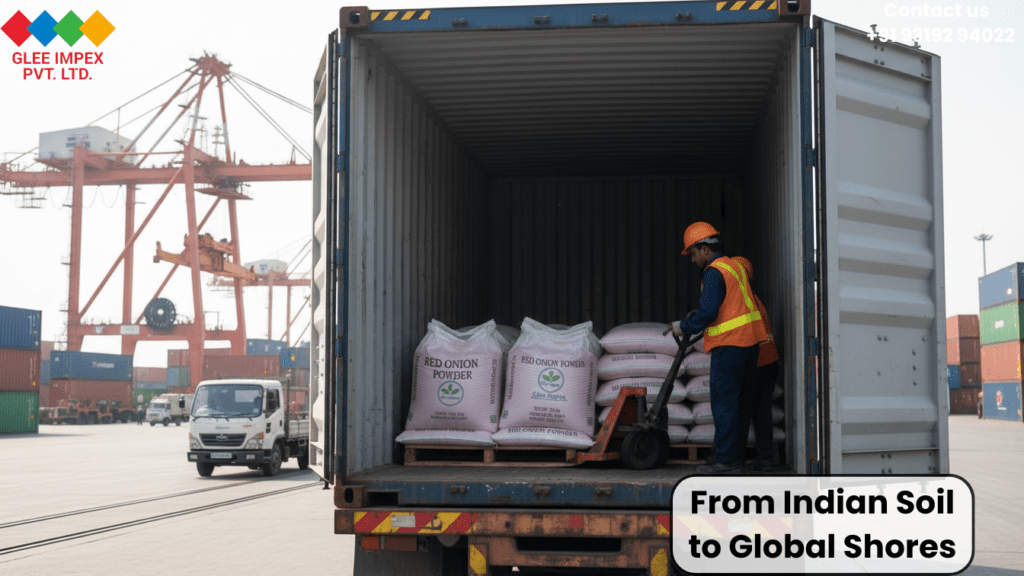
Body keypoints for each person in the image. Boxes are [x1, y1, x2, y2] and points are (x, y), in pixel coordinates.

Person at [671, 222, 768, 474]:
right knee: (740, 405)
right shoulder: (735, 265)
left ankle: (726, 461)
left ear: (704, 249)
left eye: (693, 253)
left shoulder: (713, 272)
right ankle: (733, 458)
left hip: (730, 345)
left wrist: (683, 326)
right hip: (751, 344)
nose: (693, 260)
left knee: (724, 404)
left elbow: (708, 313)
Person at [732, 256, 780, 473]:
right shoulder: (755, 299)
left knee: (742, 409)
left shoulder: (742, 302)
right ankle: (766, 459)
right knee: (761, 411)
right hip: (769, 359)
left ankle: (737, 458)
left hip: (756, 360)